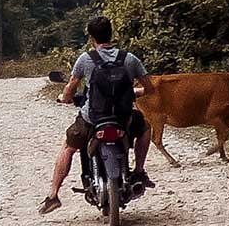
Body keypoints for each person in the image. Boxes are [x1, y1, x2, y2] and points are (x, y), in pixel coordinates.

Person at [39, 15, 154, 214]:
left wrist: (65, 97)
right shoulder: (129, 59)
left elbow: (70, 89)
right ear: (112, 34)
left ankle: (53, 195)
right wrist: (135, 92)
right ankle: (139, 171)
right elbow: (150, 88)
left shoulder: (86, 59)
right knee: (145, 128)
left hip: (93, 119)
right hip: (123, 119)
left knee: (68, 147)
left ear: (92, 38)